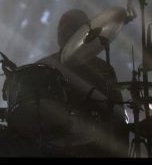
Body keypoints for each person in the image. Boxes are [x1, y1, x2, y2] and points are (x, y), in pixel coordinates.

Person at [29, 9, 129, 157]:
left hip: (96, 149)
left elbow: (119, 119)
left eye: (68, 25)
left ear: (84, 33)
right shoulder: (42, 67)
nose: (62, 29)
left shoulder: (103, 70)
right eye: (60, 25)